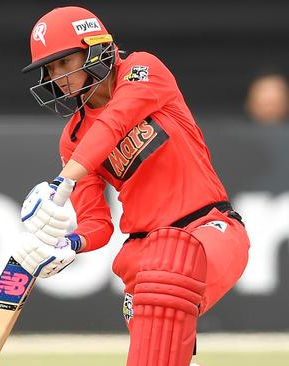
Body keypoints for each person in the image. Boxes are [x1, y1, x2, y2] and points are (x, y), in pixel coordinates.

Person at [13, 7, 250, 366]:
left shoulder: (143, 69)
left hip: (209, 228)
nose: (55, 76)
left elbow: (113, 123)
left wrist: (62, 184)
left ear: (94, 49)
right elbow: (97, 223)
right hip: (143, 253)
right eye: (49, 68)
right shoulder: (72, 138)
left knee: (170, 268)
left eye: (63, 62)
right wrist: (70, 243)